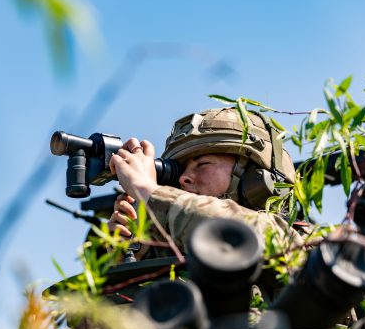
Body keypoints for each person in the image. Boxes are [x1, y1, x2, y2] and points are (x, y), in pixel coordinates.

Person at [107, 107, 302, 255]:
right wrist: (136, 254)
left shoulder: (294, 245)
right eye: (182, 171)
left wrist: (147, 190)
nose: (184, 178)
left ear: (254, 176)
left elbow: (243, 232)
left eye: (203, 164)